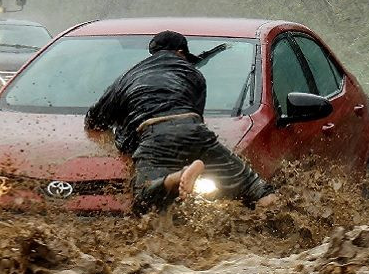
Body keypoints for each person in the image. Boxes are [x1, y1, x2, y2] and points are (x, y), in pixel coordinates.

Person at [85, 30, 278, 214]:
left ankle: (176, 178)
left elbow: (93, 121)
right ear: (180, 52)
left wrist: (122, 145)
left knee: (143, 200)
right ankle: (278, 222)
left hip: (154, 134)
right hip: (195, 131)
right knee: (255, 187)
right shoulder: (194, 75)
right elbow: (195, 120)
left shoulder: (127, 78)